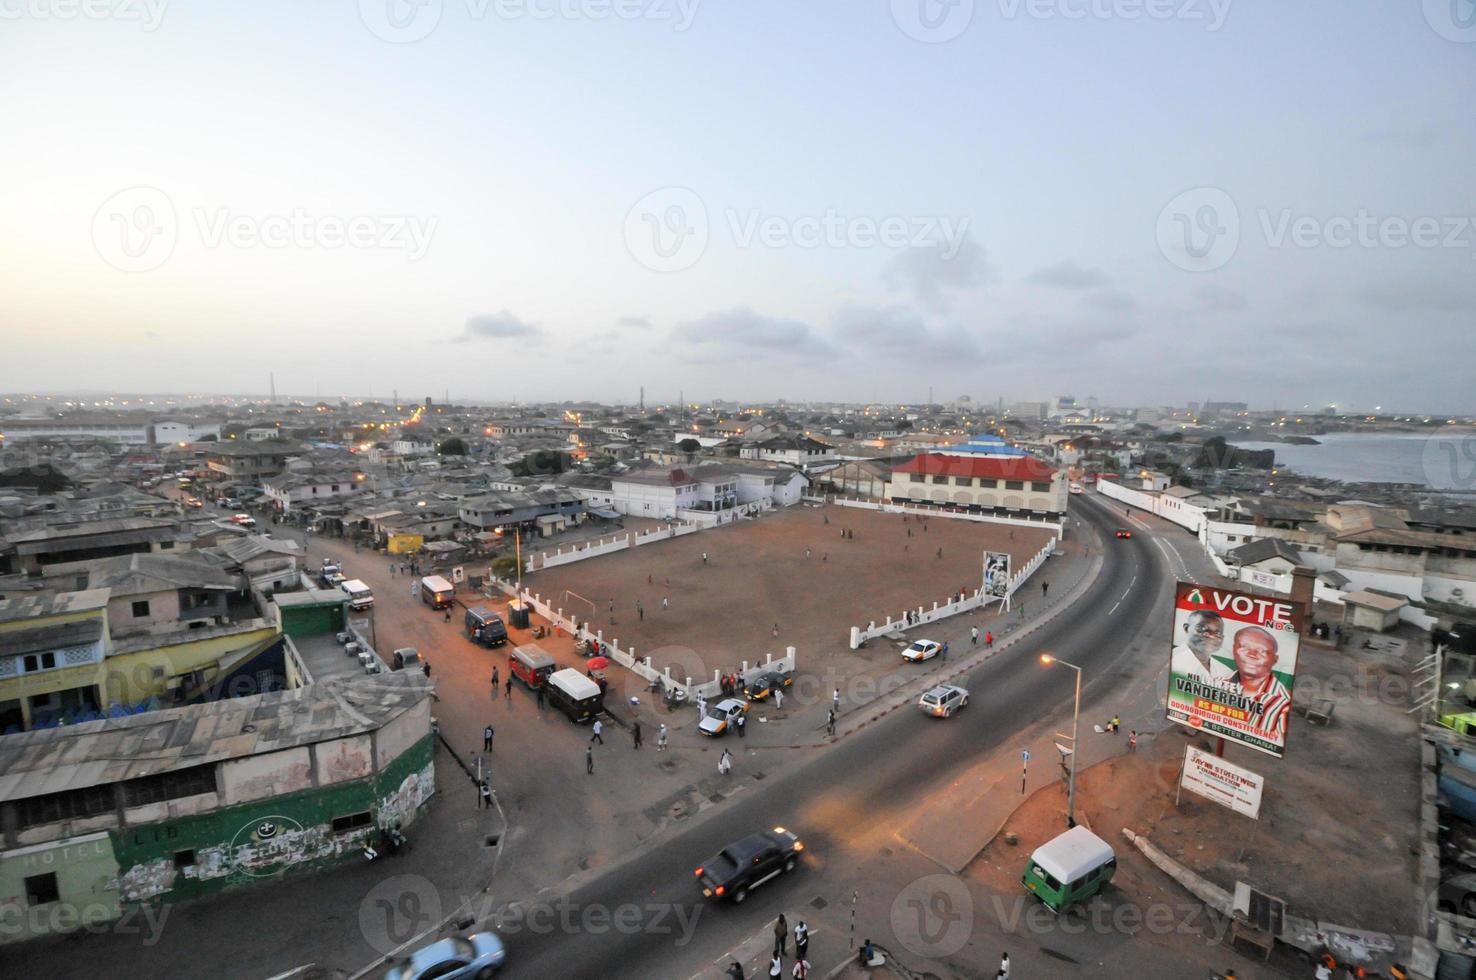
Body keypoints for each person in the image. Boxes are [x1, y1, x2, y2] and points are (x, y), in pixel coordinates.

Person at [1226, 626, 1293, 742]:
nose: (1252, 654)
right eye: (1244, 647)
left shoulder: (1283, 704)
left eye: (1263, 651)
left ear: (1275, 660)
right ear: (1233, 650)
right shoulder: (1217, 683)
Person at [1170, 609, 1233, 683]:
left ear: (1222, 638)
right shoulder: (1171, 658)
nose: (1210, 636)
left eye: (1217, 633)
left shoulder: (1226, 672)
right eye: (1201, 629)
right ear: (1186, 628)